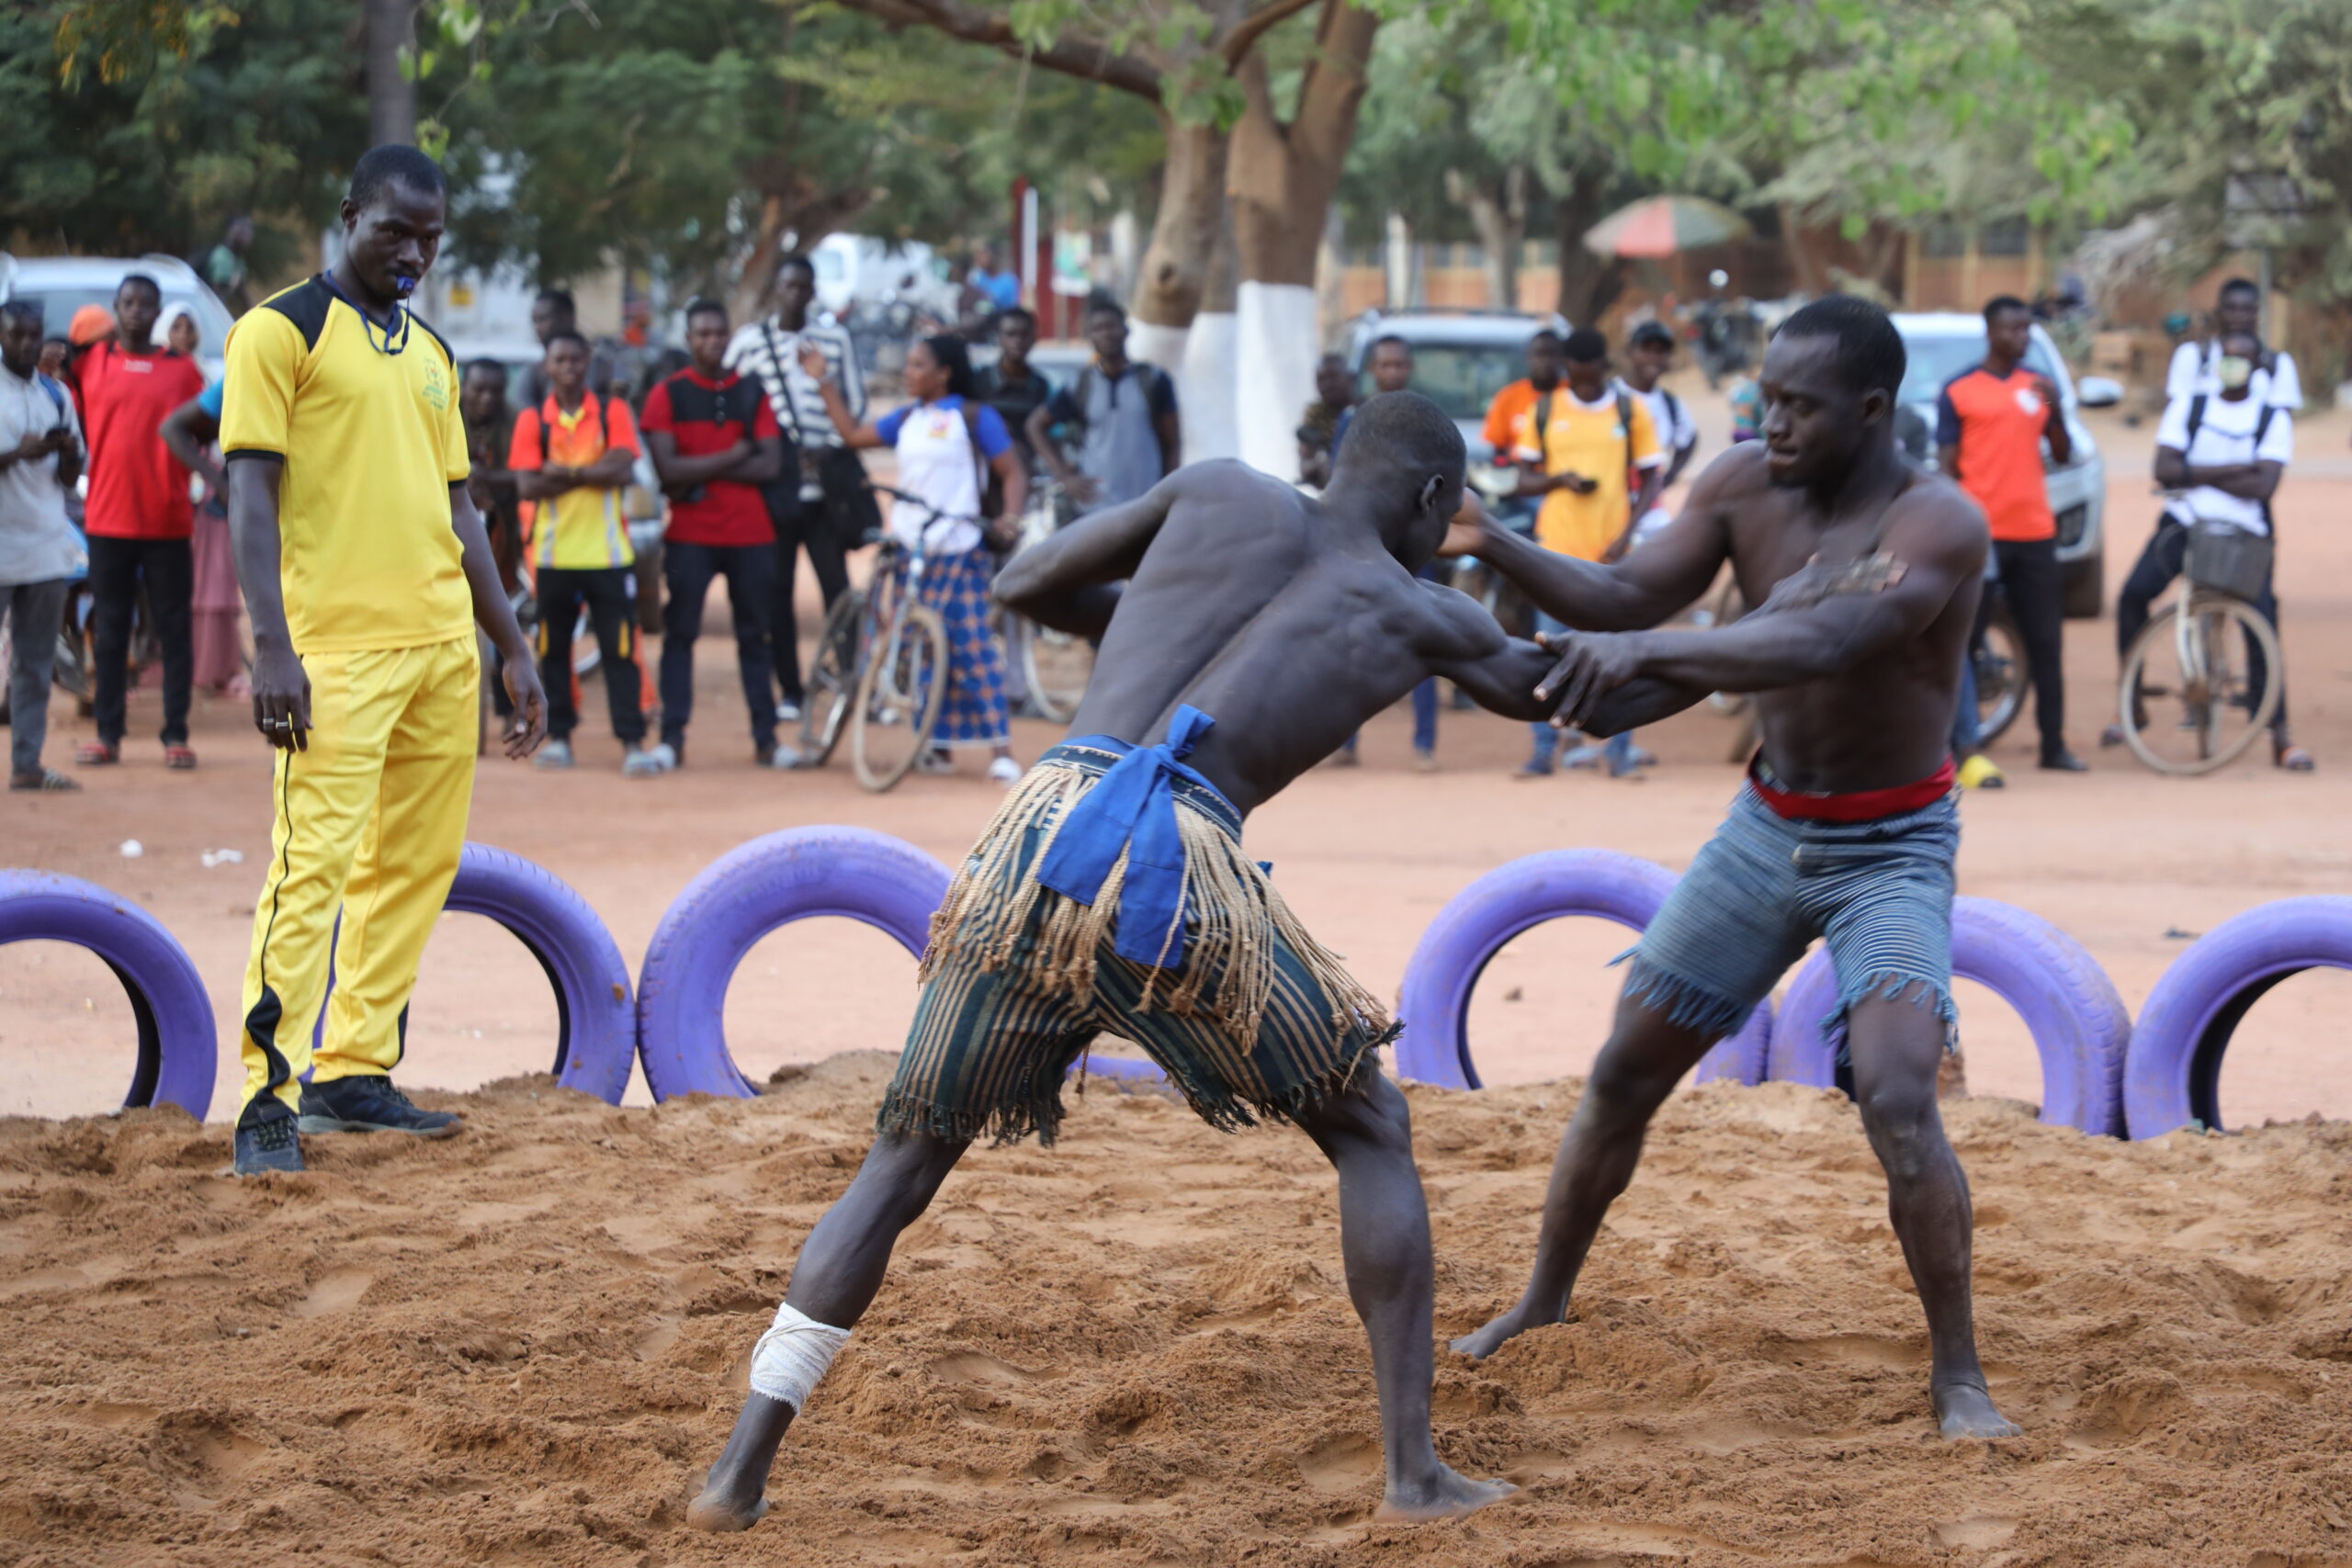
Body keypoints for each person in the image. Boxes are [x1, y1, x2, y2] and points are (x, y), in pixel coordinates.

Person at [685, 391, 1569, 1534]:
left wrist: (1152, 621)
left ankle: (738, 1473)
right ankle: (1413, 1474)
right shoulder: (1416, 607)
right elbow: (1565, 686)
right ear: (1435, 501)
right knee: (1369, 1129)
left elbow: (1024, 584)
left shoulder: (1213, 491)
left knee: (901, 1162)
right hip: (1175, 869)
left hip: (1036, 836)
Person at [1445, 296, 2018, 1445]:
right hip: (1766, 829)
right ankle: (1541, 1298)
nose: (1772, 420)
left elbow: (1821, 639)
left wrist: (1646, 655)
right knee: (1621, 1072)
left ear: (1871, 409)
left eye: (1799, 405)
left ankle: (1958, 1373)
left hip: (1891, 846)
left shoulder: (1938, 523)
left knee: (1902, 1097)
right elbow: (1624, 596)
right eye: (1765, 397)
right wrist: (1492, 540)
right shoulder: (1740, 484)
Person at [220, 143, 548, 1177]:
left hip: (441, 651)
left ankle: (353, 1072)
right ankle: (269, 1099)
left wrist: (512, 645)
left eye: (430, 237)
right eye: (394, 231)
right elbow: (247, 495)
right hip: (336, 657)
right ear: (349, 214)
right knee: (307, 871)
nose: (412, 252)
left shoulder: (433, 354)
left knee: (412, 869)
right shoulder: (279, 333)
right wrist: (272, 648)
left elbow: (461, 511)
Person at [801, 333, 1025, 783]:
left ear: (944, 373)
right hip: (909, 547)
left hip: (958, 547)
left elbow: (1013, 469)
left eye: (918, 365)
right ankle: (937, 748)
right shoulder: (907, 418)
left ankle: (1001, 750)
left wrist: (1010, 518)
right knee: (922, 651)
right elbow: (851, 435)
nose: (908, 372)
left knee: (972, 647)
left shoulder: (973, 417)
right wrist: (823, 379)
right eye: (908, 364)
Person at [2107, 329, 2310, 772]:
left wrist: (2193, 472)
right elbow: (2163, 470)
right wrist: (2235, 468)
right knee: (2132, 595)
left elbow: (2265, 485)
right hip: (2184, 523)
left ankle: (2279, 732)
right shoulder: (2191, 405)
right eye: (2226, 356)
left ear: (2256, 368)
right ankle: (2133, 703)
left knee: (2264, 620)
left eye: (2241, 359)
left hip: (2242, 534)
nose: (2231, 364)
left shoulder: (2270, 416)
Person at [1936, 296, 2083, 773]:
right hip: (1983, 537)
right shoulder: (1959, 389)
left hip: (2035, 532)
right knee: (1967, 640)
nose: (2021, 338)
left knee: (2046, 643)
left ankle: (2053, 745)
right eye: (2013, 330)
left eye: (2027, 330)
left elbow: (2060, 454)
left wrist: (2056, 410)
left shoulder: (2037, 389)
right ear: (1991, 332)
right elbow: (1948, 463)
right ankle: (1959, 745)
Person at [724, 254, 872, 724]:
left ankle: (851, 683)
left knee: (838, 589)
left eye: (803, 287)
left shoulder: (834, 338)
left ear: (812, 291)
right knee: (776, 592)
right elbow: (729, 403)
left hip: (823, 490)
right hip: (773, 491)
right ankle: (789, 688)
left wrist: (828, 447)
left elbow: (855, 400)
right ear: (777, 289)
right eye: (787, 285)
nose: (795, 294)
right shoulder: (751, 343)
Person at [1509, 326, 1662, 779]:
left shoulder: (1629, 410)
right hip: (1554, 552)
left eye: (1592, 374)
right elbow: (1523, 479)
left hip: (1611, 557)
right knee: (1545, 654)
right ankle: (1542, 752)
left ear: (1602, 368)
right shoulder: (1545, 410)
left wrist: (1627, 532)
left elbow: (1653, 475)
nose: (1585, 383)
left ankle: (1619, 755)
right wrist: (1561, 481)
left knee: (1621, 654)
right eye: (1576, 375)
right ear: (1567, 370)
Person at [641, 298, 787, 770]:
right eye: (702, 334)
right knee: (680, 634)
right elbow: (666, 468)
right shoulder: (669, 394)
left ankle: (767, 739)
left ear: (730, 336)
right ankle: (672, 738)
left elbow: (770, 464)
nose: (711, 342)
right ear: (688, 340)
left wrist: (697, 472)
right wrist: (733, 455)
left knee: (755, 636)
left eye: (719, 333)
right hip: (690, 533)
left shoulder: (752, 391)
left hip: (750, 533)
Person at [509, 330, 662, 775]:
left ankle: (632, 741)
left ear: (588, 364)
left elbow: (624, 469)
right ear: (547, 367)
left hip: (609, 557)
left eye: (578, 360)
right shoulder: (533, 420)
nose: (570, 368)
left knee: (620, 650)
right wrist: (595, 471)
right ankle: (559, 738)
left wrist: (568, 472)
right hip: (555, 558)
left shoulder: (613, 412)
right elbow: (529, 484)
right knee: (553, 650)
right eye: (561, 360)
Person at [74, 272, 208, 770]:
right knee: (109, 632)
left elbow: (206, 429)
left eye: (145, 304)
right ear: (117, 306)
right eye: (127, 302)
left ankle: (176, 734)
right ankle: (108, 735)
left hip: (168, 523)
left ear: (156, 314)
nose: (135, 310)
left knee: (174, 631)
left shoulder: (183, 372)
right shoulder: (91, 363)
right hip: (107, 520)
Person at [1332, 336, 1441, 772]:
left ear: (1409, 368)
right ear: (1372, 370)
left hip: (1414, 545)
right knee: (1350, 644)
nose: (1392, 372)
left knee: (1429, 640)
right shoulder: (1353, 419)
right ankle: (1344, 741)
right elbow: (1341, 478)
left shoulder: (1426, 421)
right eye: (1385, 365)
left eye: (1399, 365)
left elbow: (1443, 481)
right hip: (1365, 543)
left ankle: (1425, 744)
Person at [0, 299, 86, 792]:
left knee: (34, 665)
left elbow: (70, 481)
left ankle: (27, 765)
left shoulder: (56, 394)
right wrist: (18, 454)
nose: (28, 345)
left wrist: (68, 451)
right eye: (16, 336)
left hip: (44, 549)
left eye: (34, 336)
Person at [1028, 298, 1179, 515]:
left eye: (1112, 326)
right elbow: (1035, 425)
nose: (1106, 333)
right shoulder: (1080, 384)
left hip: (1147, 504)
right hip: (1095, 506)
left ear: (1126, 330)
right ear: (1090, 337)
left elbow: (1172, 442)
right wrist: (1064, 476)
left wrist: (1169, 491)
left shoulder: (1154, 380)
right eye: (1097, 328)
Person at [156, 380, 246, 694]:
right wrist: (218, 482)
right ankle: (210, 668)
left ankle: (223, 665)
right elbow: (172, 429)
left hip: (227, 510)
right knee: (213, 586)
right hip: (215, 513)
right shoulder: (228, 387)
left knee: (223, 587)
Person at [2167, 277, 2299, 412]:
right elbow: (2178, 412)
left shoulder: (2277, 363)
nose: (2238, 316)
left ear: (2257, 314)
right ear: (2217, 312)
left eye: (2246, 309)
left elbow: (2281, 419)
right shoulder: (2191, 356)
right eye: (2231, 308)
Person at [1621, 321, 1700, 537]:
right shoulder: (1611, 395)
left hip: (1651, 515)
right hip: (1610, 513)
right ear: (1630, 351)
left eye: (1661, 352)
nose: (1654, 358)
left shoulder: (1670, 404)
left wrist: (1672, 474)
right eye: (1646, 350)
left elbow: (1689, 438)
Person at [971, 305, 1052, 508]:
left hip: (1028, 483)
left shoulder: (1040, 386)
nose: (1018, 341)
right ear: (999, 338)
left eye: (1024, 334)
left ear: (1033, 338)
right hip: (983, 485)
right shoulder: (979, 382)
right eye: (1010, 334)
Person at [1296, 352, 1358, 489]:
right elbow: (1304, 464)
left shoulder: (1368, 408)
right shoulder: (1314, 415)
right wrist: (1321, 465)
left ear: (1351, 378)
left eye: (1333, 377)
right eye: (1321, 379)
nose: (1327, 385)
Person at [199, 214, 256, 315]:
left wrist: (255, 314)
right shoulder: (222, 257)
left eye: (249, 230)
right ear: (233, 231)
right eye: (243, 229)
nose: (248, 233)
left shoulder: (238, 259)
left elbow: (243, 295)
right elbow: (216, 297)